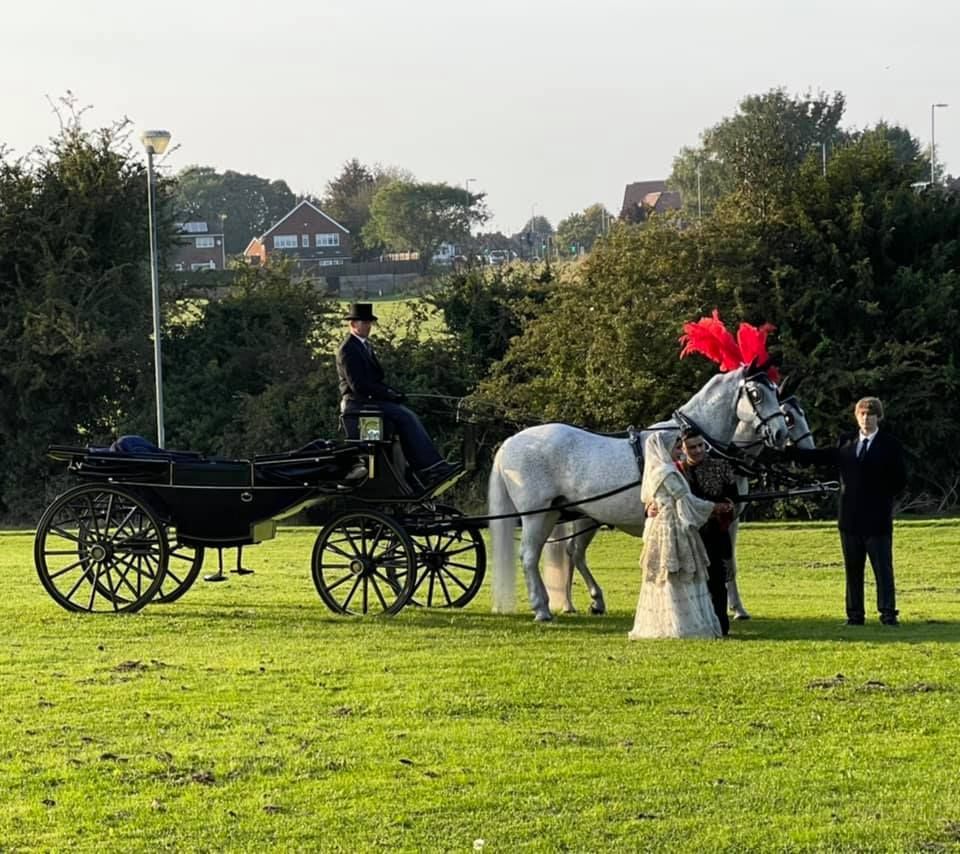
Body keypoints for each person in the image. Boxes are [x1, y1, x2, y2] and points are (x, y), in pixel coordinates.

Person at [784, 396, 906, 626]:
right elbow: (820, 457)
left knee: (882, 569)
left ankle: (888, 613)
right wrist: (789, 451)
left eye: (871, 414)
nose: (866, 419)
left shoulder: (890, 445)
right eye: (862, 414)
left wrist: (881, 497)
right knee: (853, 569)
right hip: (849, 518)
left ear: (879, 417)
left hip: (877, 518)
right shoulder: (846, 442)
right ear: (856, 416)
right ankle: (855, 615)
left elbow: (900, 479)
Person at [336, 303, 455, 484]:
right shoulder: (348, 349)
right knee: (405, 416)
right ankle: (430, 468)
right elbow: (359, 385)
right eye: (364, 322)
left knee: (406, 415)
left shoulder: (364, 346)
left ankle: (419, 469)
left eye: (369, 322)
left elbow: (374, 380)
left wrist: (392, 392)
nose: (368, 326)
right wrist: (388, 394)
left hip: (369, 401)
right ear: (353, 324)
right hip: (359, 404)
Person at [628, 431, 726, 640]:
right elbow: (686, 501)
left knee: (675, 573)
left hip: (665, 526)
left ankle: (675, 621)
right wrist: (714, 507)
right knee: (677, 573)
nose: (678, 451)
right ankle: (679, 623)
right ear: (664, 449)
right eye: (674, 447)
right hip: (671, 528)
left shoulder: (661, 470)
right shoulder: (666, 473)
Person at [678, 427, 740, 636]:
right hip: (688, 536)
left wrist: (724, 509)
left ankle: (721, 626)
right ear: (683, 449)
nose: (697, 451)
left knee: (717, 582)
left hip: (715, 533)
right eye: (691, 447)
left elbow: (734, 500)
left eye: (700, 446)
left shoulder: (721, 467)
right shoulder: (676, 471)